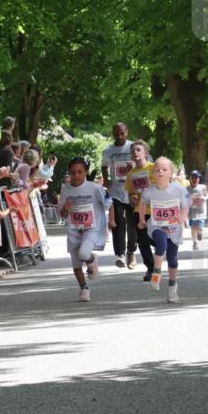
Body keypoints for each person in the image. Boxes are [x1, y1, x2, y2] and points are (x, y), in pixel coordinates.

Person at [58, 158, 113, 302]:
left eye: (80, 172)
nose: (76, 175)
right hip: (74, 230)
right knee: (76, 264)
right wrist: (65, 208)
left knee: (83, 254)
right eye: (73, 172)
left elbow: (109, 202)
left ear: (85, 172)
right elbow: (62, 214)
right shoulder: (65, 190)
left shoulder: (94, 188)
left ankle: (91, 259)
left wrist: (112, 220)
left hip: (91, 229)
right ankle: (84, 288)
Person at [137, 157, 189, 303]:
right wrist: (141, 220)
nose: (161, 172)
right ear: (153, 172)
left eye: (164, 169)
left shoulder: (179, 189)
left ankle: (172, 287)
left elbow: (186, 204)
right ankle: (156, 275)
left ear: (171, 172)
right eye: (158, 169)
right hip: (156, 225)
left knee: (172, 259)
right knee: (161, 245)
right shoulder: (149, 191)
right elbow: (142, 203)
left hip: (174, 228)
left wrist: (182, 217)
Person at [101, 123, 136, 269]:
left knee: (132, 225)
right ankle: (120, 254)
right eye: (116, 134)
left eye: (122, 133)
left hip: (132, 191)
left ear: (127, 132)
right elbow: (104, 166)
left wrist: (133, 167)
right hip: (115, 192)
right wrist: (106, 180)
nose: (119, 136)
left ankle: (131, 252)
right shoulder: (109, 150)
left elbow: (143, 163)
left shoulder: (133, 147)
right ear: (113, 133)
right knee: (118, 224)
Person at [125, 140, 156, 281]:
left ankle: (163, 247)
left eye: (138, 150)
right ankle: (151, 269)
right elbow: (130, 194)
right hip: (140, 211)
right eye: (133, 151)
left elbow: (165, 185)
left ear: (146, 153)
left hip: (156, 209)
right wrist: (132, 199)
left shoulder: (154, 168)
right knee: (143, 241)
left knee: (155, 239)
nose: (135, 152)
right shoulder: (131, 174)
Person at [186, 170, 208, 250]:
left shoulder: (202, 187)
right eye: (193, 177)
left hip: (201, 211)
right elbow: (184, 199)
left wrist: (204, 198)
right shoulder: (187, 189)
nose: (194, 179)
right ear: (190, 179)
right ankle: (195, 243)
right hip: (192, 212)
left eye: (196, 177)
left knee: (200, 226)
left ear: (199, 179)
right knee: (193, 227)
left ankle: (200, 232)